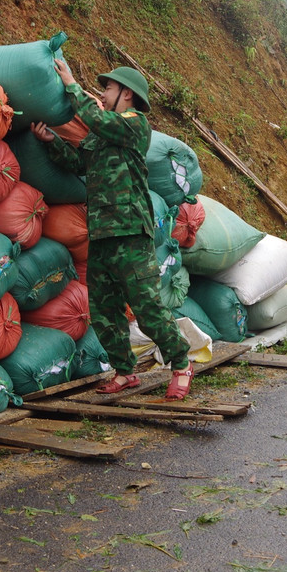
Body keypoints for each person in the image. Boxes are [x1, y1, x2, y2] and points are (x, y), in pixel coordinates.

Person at [31, 60, 194, 399]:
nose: (103, 94)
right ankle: (124, 371)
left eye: (108, 89)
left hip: (131, 232)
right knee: (104, 312)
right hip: (102, 234)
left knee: (147, 308)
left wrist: (72, 84)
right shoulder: (101, 135)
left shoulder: (135, 125)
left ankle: (180, 363)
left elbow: (95, 118)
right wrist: (50, 141)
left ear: (127, 94)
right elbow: (79, 164)